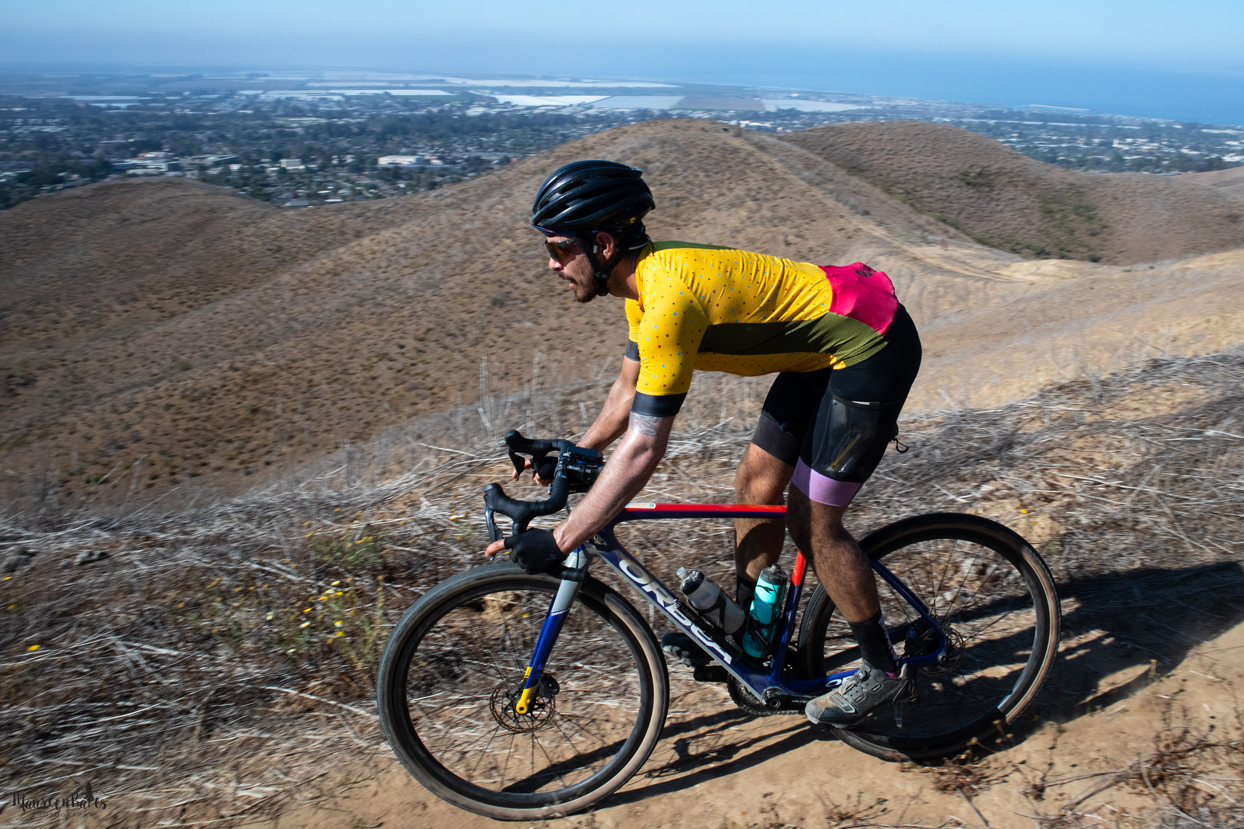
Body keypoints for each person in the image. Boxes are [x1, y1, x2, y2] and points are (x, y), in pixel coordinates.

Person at [484, 160, 923, 728]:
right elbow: (627, 389)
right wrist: (579, 450)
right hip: (820, 350)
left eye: (559, 248)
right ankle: (754, 639)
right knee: (754, 485)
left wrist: (564, 537)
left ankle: (883, 669)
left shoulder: (669, 302)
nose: (552, 263)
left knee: (811, 521)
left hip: (872, 343)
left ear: (603, 244)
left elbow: (645, 447)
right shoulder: (641, 288)